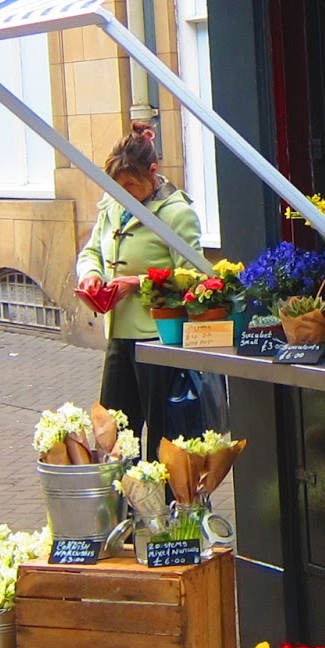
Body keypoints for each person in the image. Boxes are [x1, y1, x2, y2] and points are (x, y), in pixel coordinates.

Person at [75, 131, 201, 458]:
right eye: (117, 186)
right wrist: (91, 276)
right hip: (119, 333)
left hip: (159, 338)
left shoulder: (177, 213)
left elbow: (194, 278)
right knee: (115, 433)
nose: (123, 194)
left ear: (153, 172)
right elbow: (92, 252)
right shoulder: (112, 207)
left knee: (163, 437)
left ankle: (169, 505)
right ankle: (125, 504)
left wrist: (138, 282)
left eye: (130, 185)